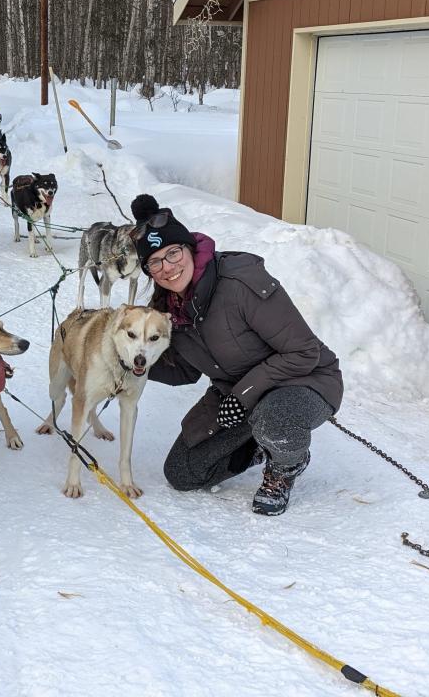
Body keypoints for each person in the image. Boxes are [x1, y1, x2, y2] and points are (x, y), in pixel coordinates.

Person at [132, 194, 343, 516]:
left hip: (306, 379)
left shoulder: (240, 281)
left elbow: (303, 351)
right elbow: (184, 372)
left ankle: (285, 466)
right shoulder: (169, 309)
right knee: (183, 472)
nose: (168, 267)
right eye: (155, 262)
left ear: (189, 248)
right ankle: (259, 444)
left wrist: (244, 395)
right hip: (237, 393)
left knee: (276, 420)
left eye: (173, 253)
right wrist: (132, 362)